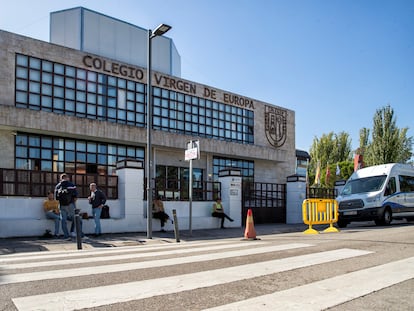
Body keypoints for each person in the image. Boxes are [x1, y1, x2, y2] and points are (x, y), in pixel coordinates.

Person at [54, 173, 82, 239]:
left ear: (61, 178)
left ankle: (66, 236)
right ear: (67, 178)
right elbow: (75, 196)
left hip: (62, 205)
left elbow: (56, 198)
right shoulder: (71, 185)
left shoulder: (57, 186)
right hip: (70, 204)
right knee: (77, 219)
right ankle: (79, 235)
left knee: (63, 221)